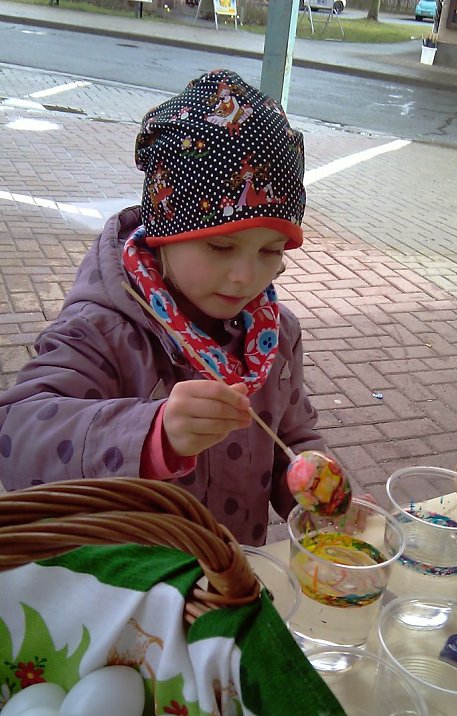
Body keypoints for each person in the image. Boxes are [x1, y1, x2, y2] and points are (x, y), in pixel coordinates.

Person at [0, 69, 327, 546]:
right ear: (165, 233)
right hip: (133, 589)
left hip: (229, 575)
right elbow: (15, 436)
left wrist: (314, 487)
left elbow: (294, 436)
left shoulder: (277, 337)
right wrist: (152, 434)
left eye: (270, 251)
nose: (245, 276)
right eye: (219, 248)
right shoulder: (106, 327)